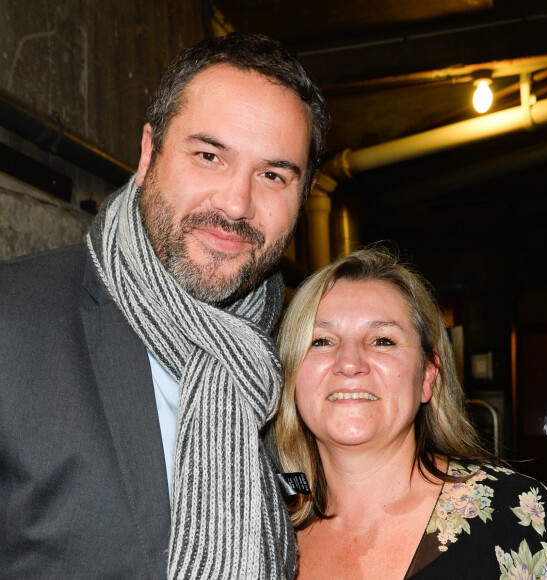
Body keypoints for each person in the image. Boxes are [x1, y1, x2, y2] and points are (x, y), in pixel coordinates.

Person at [0, 33, 328, 579]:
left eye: (272, 175)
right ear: (149, 152)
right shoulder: (13, 321)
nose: (235, 203)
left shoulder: (294, 367)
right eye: (208, 155)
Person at [276, 248, 547, 579]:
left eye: (382, 340)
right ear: (291, 374)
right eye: (320, 341)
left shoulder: (517, 517)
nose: (349, 364)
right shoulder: (256, 526)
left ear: (427, 376)